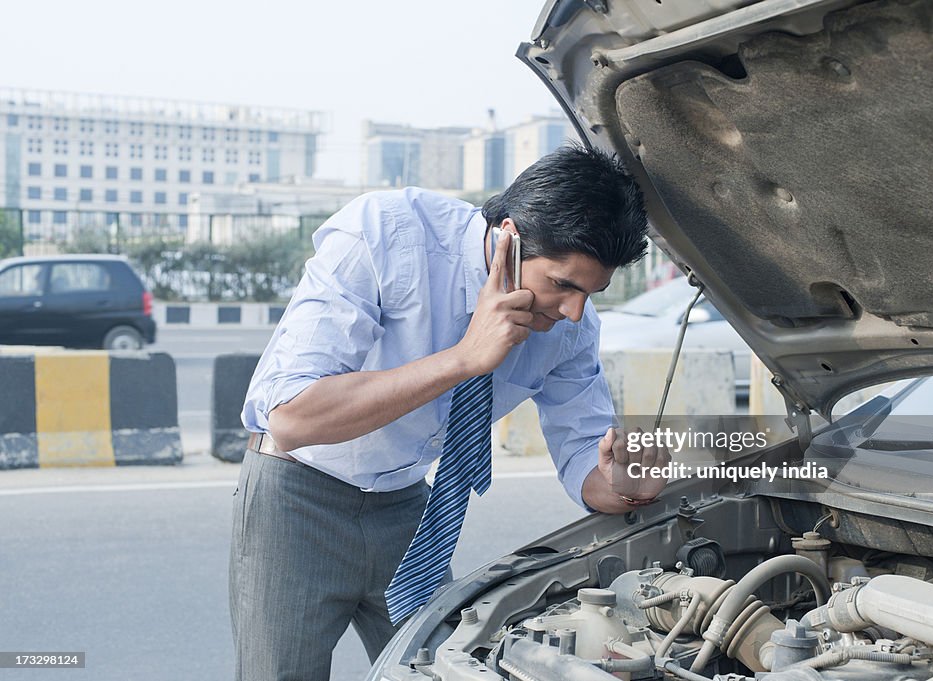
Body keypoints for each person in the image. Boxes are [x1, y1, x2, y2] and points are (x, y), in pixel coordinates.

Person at [229, 144, 671, 680]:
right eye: (563, 285)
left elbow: (584, 457)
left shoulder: (572, 327)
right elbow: (293, 417)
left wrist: (622, 483)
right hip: (296, 498)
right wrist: (463, 358)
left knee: (444, 670)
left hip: (410, 509)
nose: (573, 311)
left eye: (592, 292)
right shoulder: (386, 234)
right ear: (508, 237)